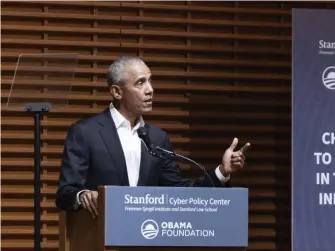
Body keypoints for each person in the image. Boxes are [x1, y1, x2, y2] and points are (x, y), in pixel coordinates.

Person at [55, 56, 250, 218]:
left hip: (146, 236)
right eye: (140, 83)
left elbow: (180, 194)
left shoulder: (157, 138)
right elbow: (65, 192)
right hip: (98, 236)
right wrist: (83, 195)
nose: (150, 89)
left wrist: (222, 172)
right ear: (116, 92)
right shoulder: (86, 132)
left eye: (150, 80)